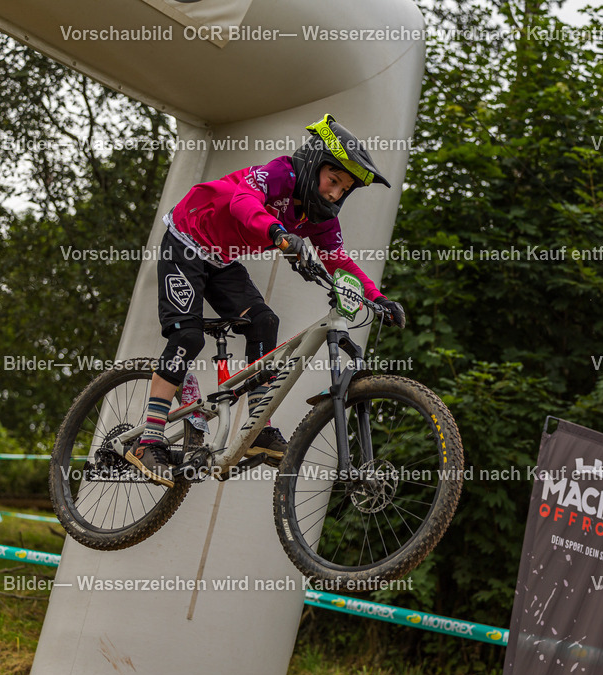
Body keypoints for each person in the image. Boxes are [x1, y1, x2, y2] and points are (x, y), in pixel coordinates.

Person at [125, 114, 406, 487]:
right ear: (314, 164)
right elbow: (242, 203)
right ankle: (147, 441)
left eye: (344, 189)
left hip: (221, 260)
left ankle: (258, 428)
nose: (335, 194)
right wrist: (277, 232)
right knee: (187, 337)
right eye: (333, 180)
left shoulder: (321, 218)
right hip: (186, 241)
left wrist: (378, 299)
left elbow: (339, 260)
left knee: (264, 322)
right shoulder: (280, 174)